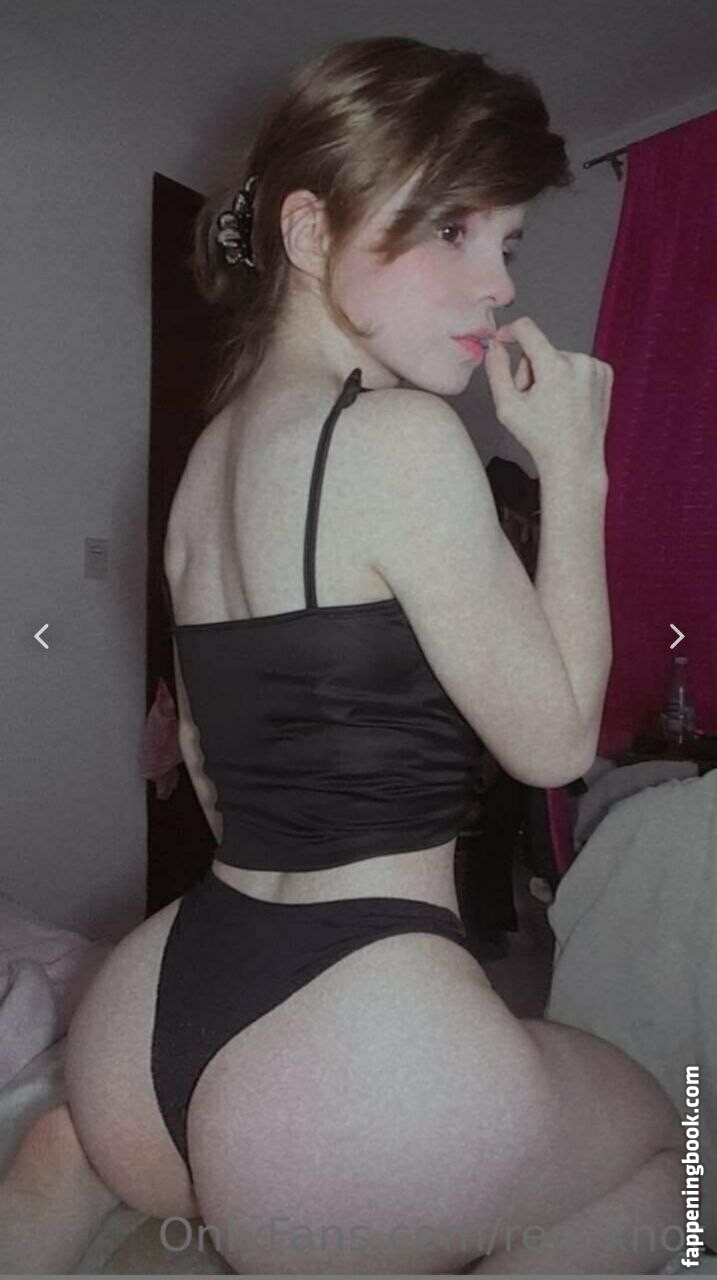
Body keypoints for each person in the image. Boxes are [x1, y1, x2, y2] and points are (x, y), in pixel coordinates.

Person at [0, 36, 684, 1276]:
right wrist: (574, 471)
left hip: (152, 1019)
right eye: (454, 230)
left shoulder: (207, 463)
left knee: (98, 1146)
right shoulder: (404, 438)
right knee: (675, 1153)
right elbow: (552, 743)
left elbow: (210, 763)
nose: (496, 284)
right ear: (311, 231)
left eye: (510, 242)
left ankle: (97, 1160)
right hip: (348, 1050)